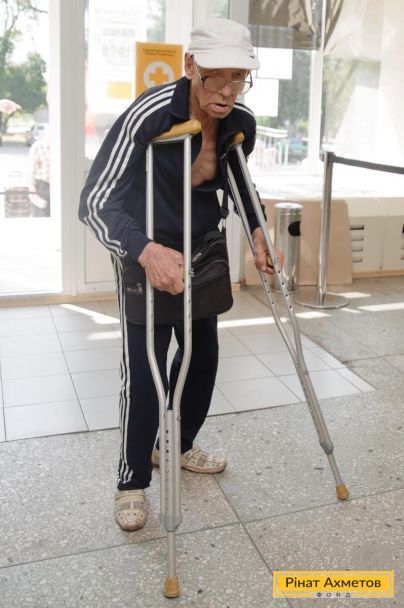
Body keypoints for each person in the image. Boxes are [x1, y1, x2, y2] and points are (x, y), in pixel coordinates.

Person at [79, 17, 283, 532]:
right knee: (145, 371)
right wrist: (146, 251)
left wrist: (257, 230)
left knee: (201, 358)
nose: (228, 90)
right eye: (217, 76)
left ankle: (176, 444)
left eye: (239, 77)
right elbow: (94, 202)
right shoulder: (148, 114)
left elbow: (239, 182)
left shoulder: (240, 122)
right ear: (190, 65)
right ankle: (131, 480)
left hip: (202, 251)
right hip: (144, 250)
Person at [27, 127, 50, 217]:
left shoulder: (60, 147)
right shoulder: (38, 147)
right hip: (42, 186)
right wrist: (33, 193)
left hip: (57, 187)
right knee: (42, 218)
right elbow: (30, 173)